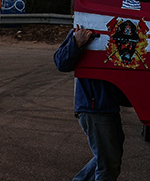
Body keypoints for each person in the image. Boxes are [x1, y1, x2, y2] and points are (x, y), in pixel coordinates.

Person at [54, 27, 127, 181]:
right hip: (93, 106)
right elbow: (61, 62)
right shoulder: (85, 26)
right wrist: (76, 43)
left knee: (109, 158)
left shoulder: (119, 25)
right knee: (107, 163)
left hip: (109, 105)